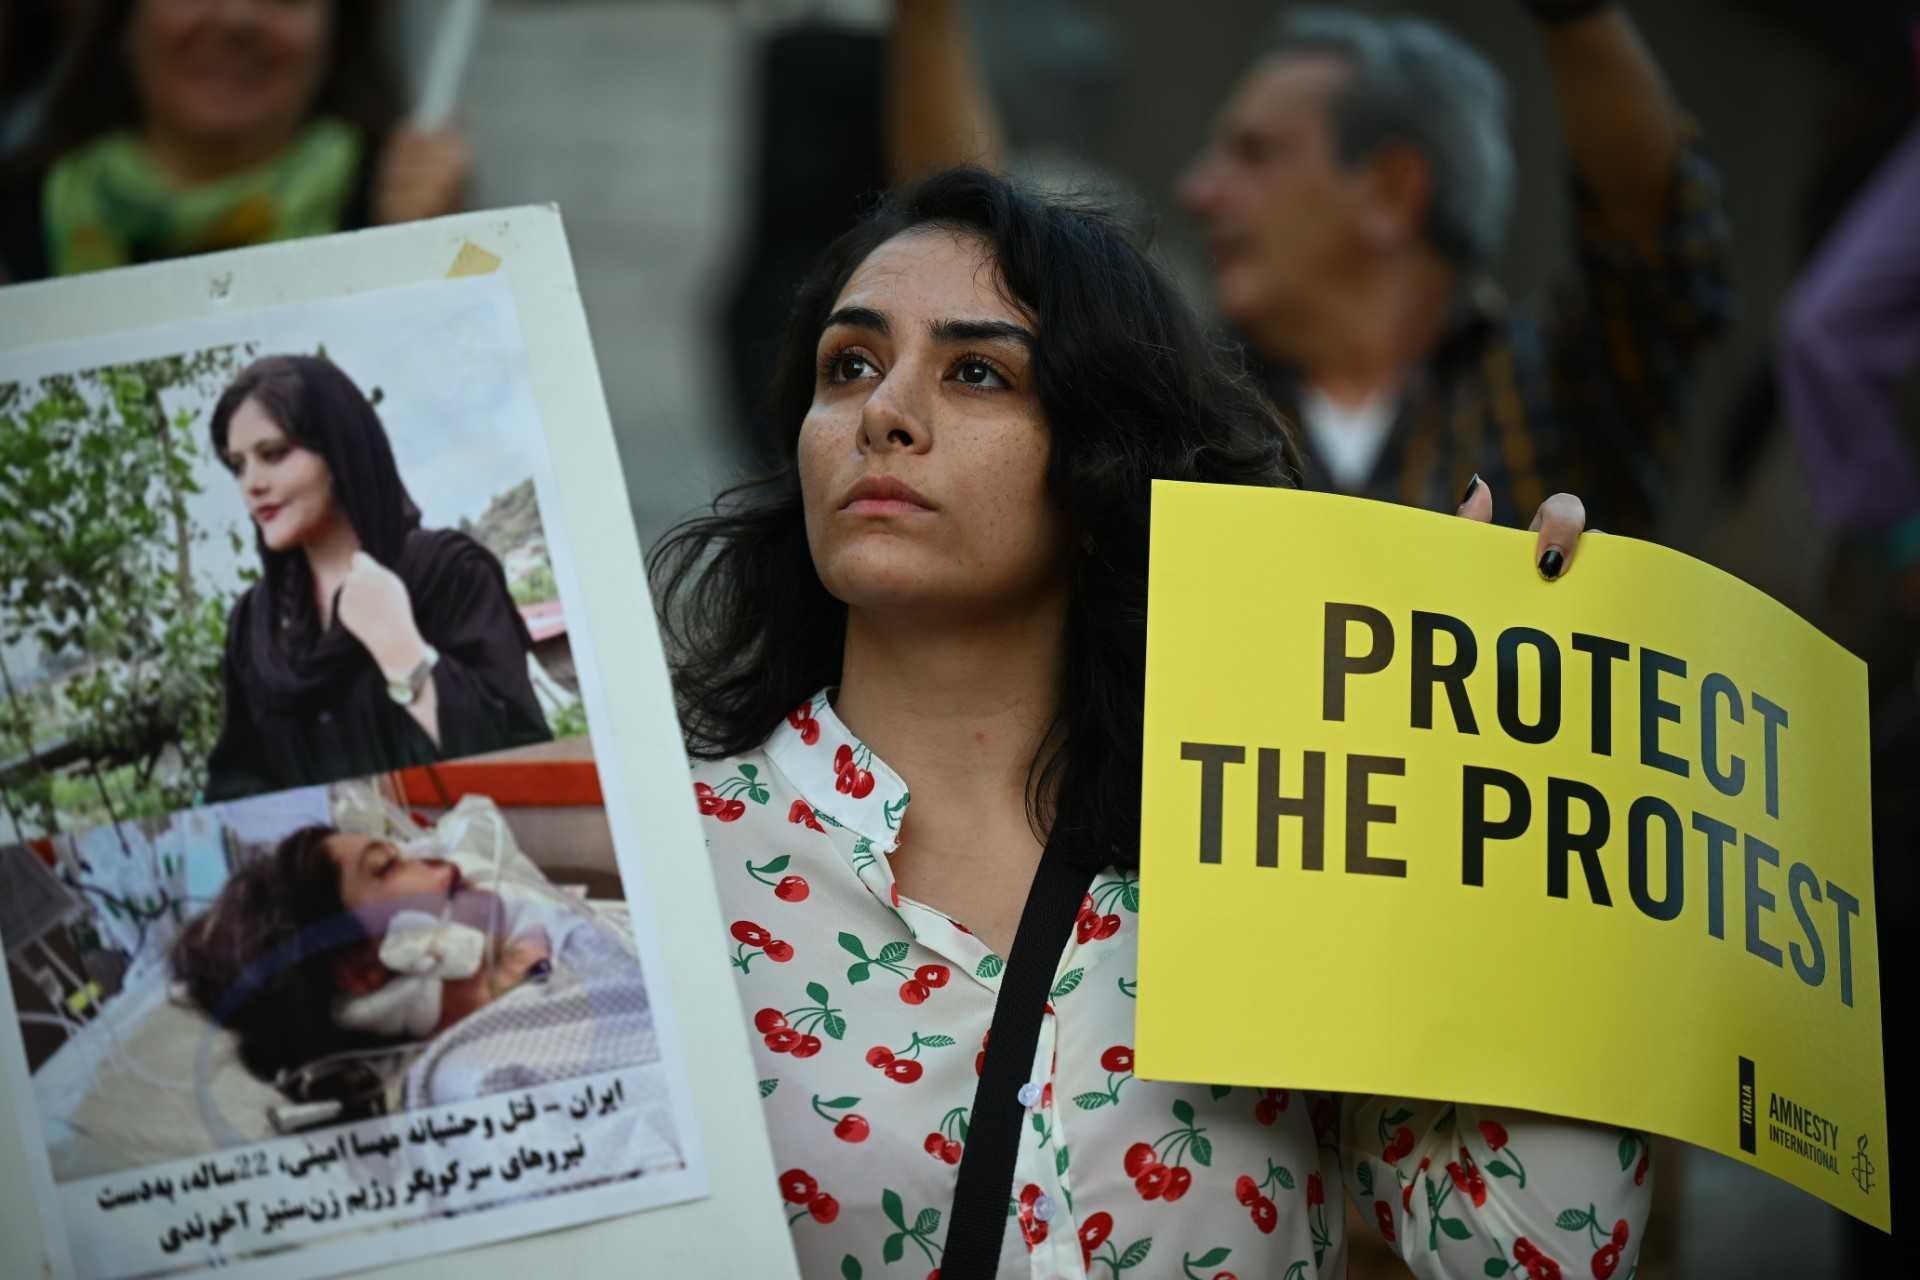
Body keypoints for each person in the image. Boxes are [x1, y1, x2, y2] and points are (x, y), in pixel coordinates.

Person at [652, 166, 1627, 1278]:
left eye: (976, 371)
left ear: (1103, 461)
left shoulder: (1276, 844)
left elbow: (1540, 1252)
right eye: (851, 364)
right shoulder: (667, 867)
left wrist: (1503, 762)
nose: (884, 410)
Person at [1177, 2, 1730, 543]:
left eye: (1252, 153)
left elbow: (1657, 252)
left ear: (1392, 192)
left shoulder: (1556, 391)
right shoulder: (1184, 403)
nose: (1197, 193)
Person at [203, 355, 551, 802]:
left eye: (273, 454)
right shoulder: (254, 624)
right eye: (238, 465)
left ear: (338, 451)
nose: (251, 483)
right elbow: (236, 783)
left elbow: (524, 759)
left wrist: (403, 650)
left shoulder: (447, 572)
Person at [0, 0, 466, 283]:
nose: (238, 18)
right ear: (125, 19)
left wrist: (439, 264)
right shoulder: (17, 216)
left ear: (338, 27)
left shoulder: (403, 206)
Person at [170, 823, 559, 1080]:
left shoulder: (540, 964)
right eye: (388, 865)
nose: (440, 862)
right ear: (359, 971)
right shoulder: (484, 1088)